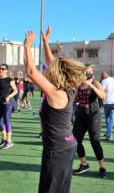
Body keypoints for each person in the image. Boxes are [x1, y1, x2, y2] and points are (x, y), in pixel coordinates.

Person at [24, 27, 85, 193]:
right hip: (65, 145)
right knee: (61, 188)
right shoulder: (69, 89)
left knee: (50, 189)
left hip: (57, 148)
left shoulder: (56, 93)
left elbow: (31, 71)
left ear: (57, 74)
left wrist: (27, 46)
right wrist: (45, 42)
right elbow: (52, 63)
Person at [73, 64, 107, 178]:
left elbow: (103, 96)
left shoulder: (95, 83)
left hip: (93, 115)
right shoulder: (79, 85)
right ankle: (84, 164)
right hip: (81, 115)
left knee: (95, 142)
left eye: (90, 71)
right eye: (86, 72)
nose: (88, 73)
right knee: (75, 141)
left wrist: (91, 86)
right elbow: (74, 99)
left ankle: (102, 167)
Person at [0, 64, 18, 149]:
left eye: (3, 69)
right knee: (0, 122)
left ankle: (9, 141)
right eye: (0, 68)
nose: (1, 70)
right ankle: (4, 139)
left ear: (6, 70)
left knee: (6, 119)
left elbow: (15, 91)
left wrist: (8, 97)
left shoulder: (9, 79)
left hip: (8, 102)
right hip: (0, 102)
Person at [101, 72, 114, 141]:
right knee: (111, 118)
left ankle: (108, 134)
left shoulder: (103, 81)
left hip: (107, 101)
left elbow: (102, 91)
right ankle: (108, 132)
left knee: (108, 118)